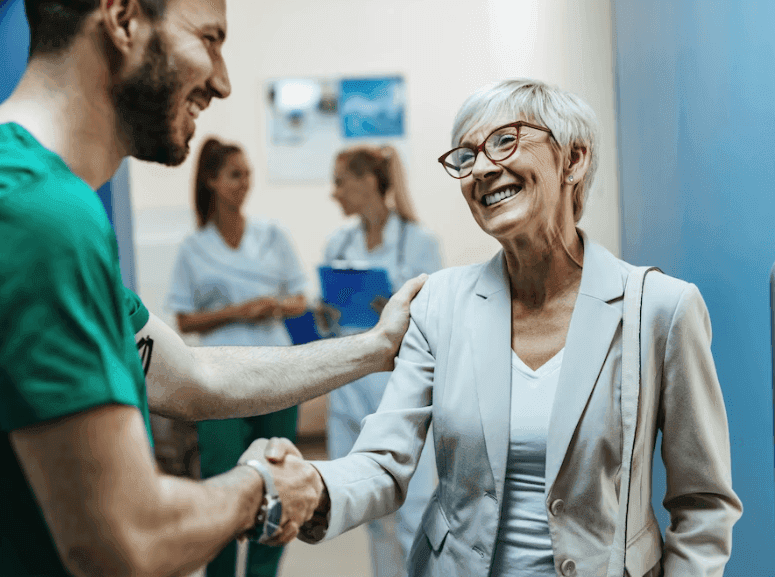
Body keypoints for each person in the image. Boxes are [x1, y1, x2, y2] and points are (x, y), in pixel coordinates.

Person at [0, 1, 426, 576]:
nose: (223, 81)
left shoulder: (7, 186)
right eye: (209, 39)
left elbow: (189, 377)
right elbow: (128, 539)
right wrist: (265, 488)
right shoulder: (33, 214)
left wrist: (378, 347)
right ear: (123, 17)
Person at [289, 79, 743, 577]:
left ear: (574, 160)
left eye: (505, 141)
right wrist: (308, 485)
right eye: (465, 156)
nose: (481, 168)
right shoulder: (439, 303)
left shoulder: (660, 308)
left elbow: (703, 503)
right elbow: (384, 462)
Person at [165, 137, 308, 577]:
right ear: (211, 180)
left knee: (277, 482)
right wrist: (238, 311)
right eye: (234, 175)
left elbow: (300, 300)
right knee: (222, 480)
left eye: (247, 173)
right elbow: (186, 320)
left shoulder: (272, 235)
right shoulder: (194, 248)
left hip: (277, 374)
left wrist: (275, 306)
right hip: (219, 379)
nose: (244, 182)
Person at [323, 144, 442, 577]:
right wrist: (326, 314)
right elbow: (331, 321)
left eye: (340, 182)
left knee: (412, 515)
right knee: (372, 515)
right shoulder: (339, 242)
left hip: (401, 390)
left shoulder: (418, 241)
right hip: (352, 389)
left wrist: (390, 309)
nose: (333, 193)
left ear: (368, 182)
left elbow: (434, 319)